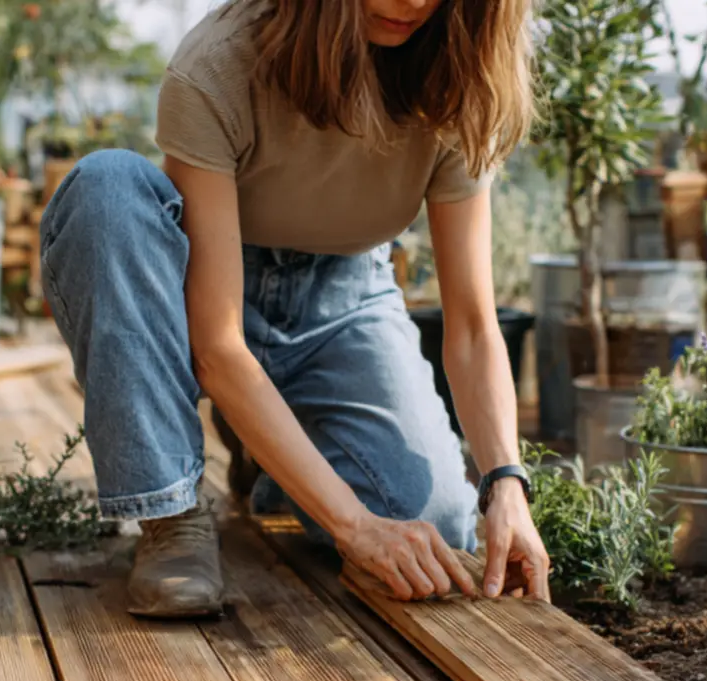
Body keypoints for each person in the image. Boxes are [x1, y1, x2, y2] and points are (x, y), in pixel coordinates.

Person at [39, 0, 552, 619]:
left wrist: (506, 483)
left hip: (346, 294)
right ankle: (171, 515)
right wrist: (354, 528)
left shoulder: (460, 70)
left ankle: (273, 462)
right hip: (198, 283)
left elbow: (471, 326)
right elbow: (217, 343)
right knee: (106, 188)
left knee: (436, 526)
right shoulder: (220, 62)